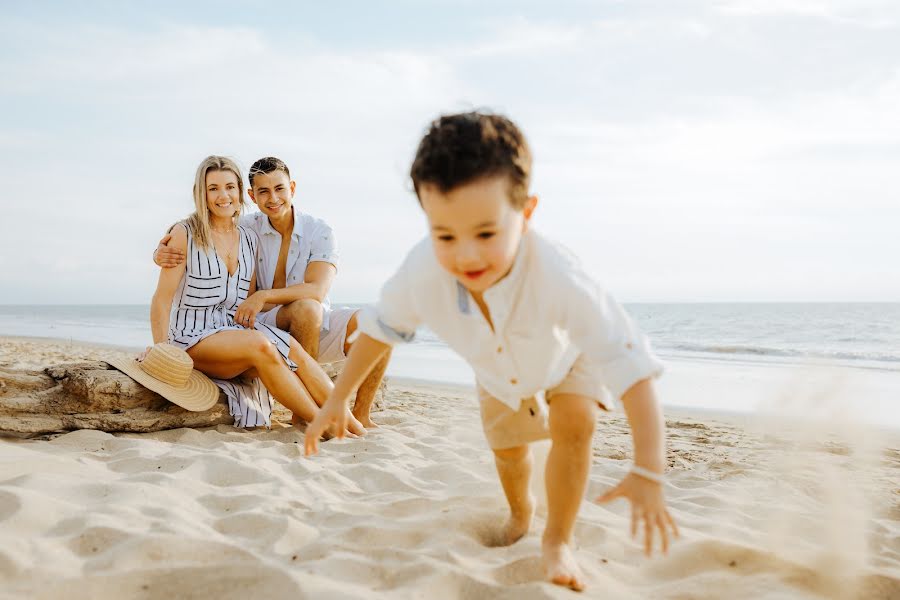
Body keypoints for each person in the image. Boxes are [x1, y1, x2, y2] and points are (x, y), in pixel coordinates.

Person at [304, 112, 678, 591]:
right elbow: (380, 329)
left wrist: (648, 469)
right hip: (496, 371)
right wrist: (338, 398)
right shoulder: (422, 270)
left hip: (565, 357)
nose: (466, 256)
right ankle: (522, 514)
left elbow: (632, 366)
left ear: (526, 213)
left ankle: (557, 540)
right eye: (444, 235)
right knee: (511, 454)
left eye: (486, 233)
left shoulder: (560, 277)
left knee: (574, 424)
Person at [154, 157, 389, 429]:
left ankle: (356, 422)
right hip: (235, 326)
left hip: (282, 323)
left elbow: (317, 290)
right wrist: (161, 250)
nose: (273, 198)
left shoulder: (309, 231)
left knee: (360, 326)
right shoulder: (235, 227)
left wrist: (262, 296)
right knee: (290, 324)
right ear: (252, 196)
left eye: (279, 189)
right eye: (263, 191)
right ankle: (314, 421)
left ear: (292, 188)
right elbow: (193, 240)